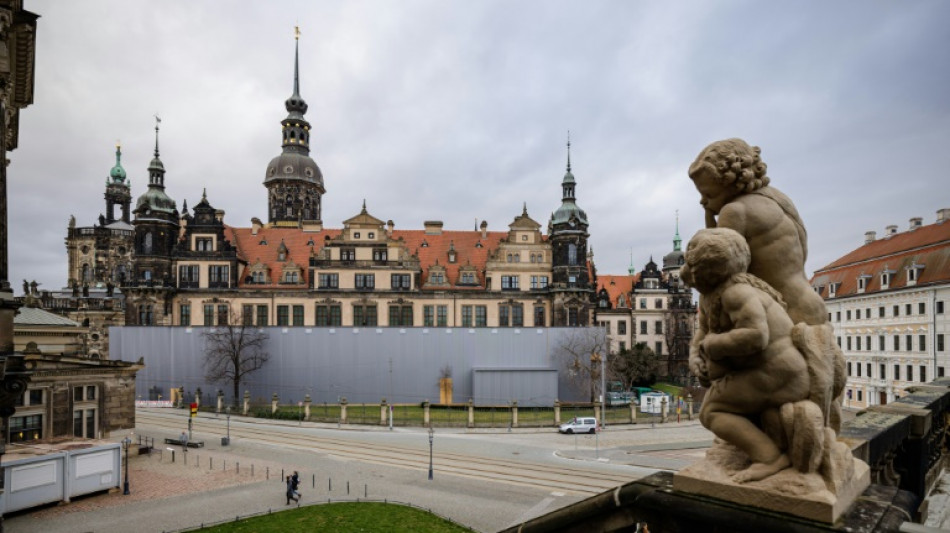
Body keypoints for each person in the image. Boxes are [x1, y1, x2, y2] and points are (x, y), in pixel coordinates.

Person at [688, 139, 845, 429]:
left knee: (739, 405)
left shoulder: (735, 211)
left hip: (778, 319)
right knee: (816, 396)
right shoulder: (779, 201)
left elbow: (719, 269)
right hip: (810, 309)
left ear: (730, 183)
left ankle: (765, 457)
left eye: (707, 194)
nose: (703, 201)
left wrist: (700, 344)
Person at [682, 228, 811, 483]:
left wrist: (712, 346)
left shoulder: (736, 292)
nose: (686, 273)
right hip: (766, 372)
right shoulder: (712, 296)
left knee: (711, 412)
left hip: (780, 372)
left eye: (690, 266)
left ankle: (770, 458)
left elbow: (756, 335)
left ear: (707, 271)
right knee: (714, 407)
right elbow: (702, 334)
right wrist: (695, 357)